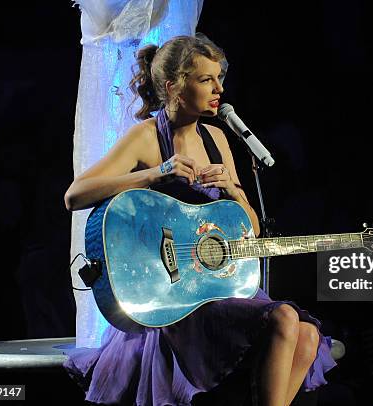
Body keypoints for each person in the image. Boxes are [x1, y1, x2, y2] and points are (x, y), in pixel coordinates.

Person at [63, 33, 336, 406]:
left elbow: (251, 230)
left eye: (219, 78)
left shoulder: (217, 139)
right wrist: (156, 172)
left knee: (306, 336)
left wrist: (232, 190)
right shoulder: (145, 137)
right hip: (173, 296)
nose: (218, 88)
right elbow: (74, 195)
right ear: (174, 87)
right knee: (285, 317)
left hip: (215, 287)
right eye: (206, 79)